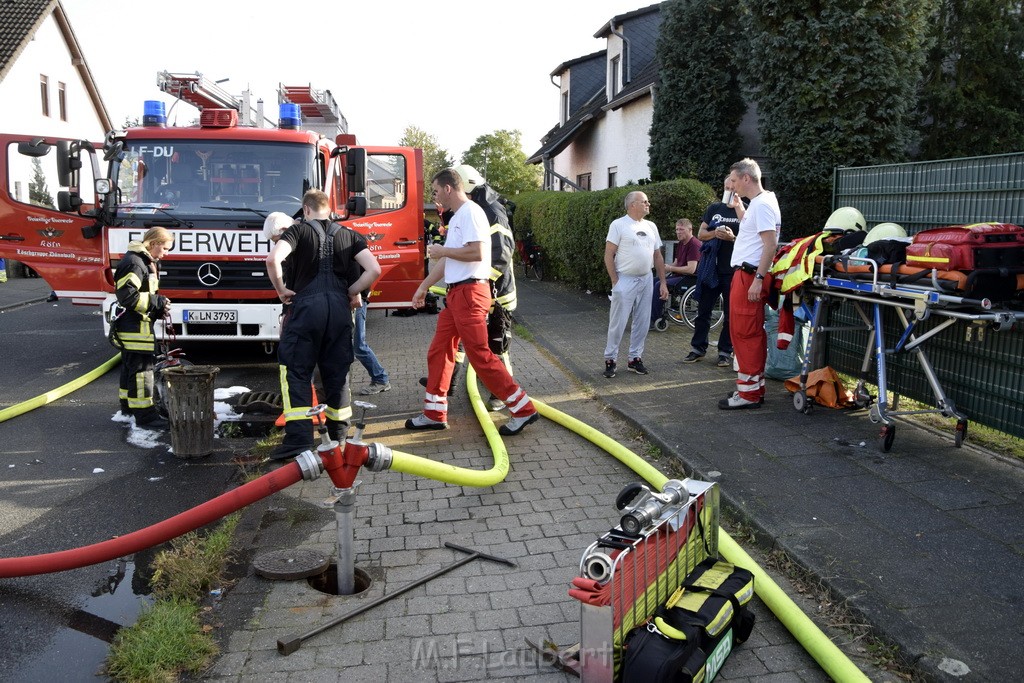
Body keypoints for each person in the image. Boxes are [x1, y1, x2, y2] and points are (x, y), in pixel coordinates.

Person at [406, 168, 539, 435]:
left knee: (480, 356)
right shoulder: (458, 217)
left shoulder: (471, 213)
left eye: (435, 190)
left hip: (469, 294)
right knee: (440, 351)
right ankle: (434, 413)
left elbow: (477, 252)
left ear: (447, 188)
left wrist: (443, 250)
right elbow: (447, 261)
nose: (434, 196)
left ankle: (523, 408)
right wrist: (423, 286)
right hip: (458, 294)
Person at [266, 189, 381, 459]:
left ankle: (298, 441)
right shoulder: (350, 235)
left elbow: (273, 259)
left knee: (296, 370)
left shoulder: (296, 232)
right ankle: (339, 433)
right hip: (339, 310)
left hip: (305, 309)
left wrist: (281, 288)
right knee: (337, 370)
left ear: (306, 210)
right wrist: (353, 291)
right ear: (328, 209)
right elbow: (374, 269)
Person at [454, 164, 518, 412]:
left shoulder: (492, 211)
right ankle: (452, 382)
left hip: (498, 293)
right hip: (483, 291)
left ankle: (502, 393)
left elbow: (501, 253)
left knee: (497, 345)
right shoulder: (478, 207)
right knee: (471, 343)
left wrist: (484, 283)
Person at [720, 158, 780, 410]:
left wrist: (757, 279)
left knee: (746, 334)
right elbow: (755, 234)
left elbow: (770, 244)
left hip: (750, 276)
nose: (731, 186)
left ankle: (748, 395)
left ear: (746, 178)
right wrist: (738, 209)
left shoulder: (762, 205)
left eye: (733, 180)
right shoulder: (758, 204)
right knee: (746, 332)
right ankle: (752, 390)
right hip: (746, 275)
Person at [110, 226, 174, 429]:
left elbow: (139, 294)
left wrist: (156, 308)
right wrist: (157, 302)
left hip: (137, 324)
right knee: (142, 372)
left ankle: (128, 408)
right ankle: (145, 416)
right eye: (164, 248)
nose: (166, 253)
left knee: (131, 367)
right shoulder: (135, 263)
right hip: (134, 327)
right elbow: (127, 296)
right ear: (153, 243)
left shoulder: (142, 261)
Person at [603, 191, 668, 378]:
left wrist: (662, 282)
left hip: (646, 279)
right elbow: (608, 255)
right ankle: (610, 359)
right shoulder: (618, 225)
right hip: (625, 279)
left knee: (643, 321)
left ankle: (635, 359)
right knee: (618, 322)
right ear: (632, 205)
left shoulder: (651, 226)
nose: (648, 204)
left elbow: (657, 256)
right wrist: (615, 281)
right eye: (644, 201)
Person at [685, 177, 742, 367]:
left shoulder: (746, 209)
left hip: (732, 270)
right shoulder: (714, 209)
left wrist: (732, 237)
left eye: (732, 187)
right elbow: (701, 234)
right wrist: (715, 233)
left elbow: (751, 239)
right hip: (711, 269)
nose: (729, 190)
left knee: (730, 313)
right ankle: (698, 349)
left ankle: (725, 351)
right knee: (703, 310)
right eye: (726, 187)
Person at [651, 218, 700, 323]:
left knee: (658, 285)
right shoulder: (681, 243)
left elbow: (691, 269)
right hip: (679, 276)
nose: (678, 232)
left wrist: (670, 268)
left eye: (681, 229)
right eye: (677, 229)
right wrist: (664, 268)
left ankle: (655, 319)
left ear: (690, 229)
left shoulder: (694, 245)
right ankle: (650, 313)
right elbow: (676, 263)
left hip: (690, 278)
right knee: (652, 281)